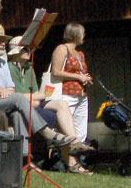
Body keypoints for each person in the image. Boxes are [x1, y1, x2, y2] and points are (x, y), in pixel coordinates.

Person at [0, 24, 86, 152]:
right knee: (19, 98)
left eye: (4, 41)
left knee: (17, 114)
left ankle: (24, 156)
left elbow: (11, 88)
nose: (3, 44)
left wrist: (7, 92)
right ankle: (47, 133)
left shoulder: (3, 63)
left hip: (7, 100)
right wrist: (1, 91)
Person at [6, 36, 90, 174]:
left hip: (34, 103)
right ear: (15, 52)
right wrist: (40, 96)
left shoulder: (29, 68)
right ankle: (72, 162)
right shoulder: (9, 68)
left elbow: (35, 94)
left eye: (29, 48)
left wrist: (38, 96)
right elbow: (17, 96)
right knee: (55, 115)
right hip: (20, 106)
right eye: (24, 49)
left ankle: (74, 141)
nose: (28, 51)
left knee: (62, 104)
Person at [50, 23, 92, 147]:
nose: (84, 35)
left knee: (81, 132)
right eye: (82, 33)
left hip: (81, 95)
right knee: (65, 130)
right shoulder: (62, 49)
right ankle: (62, 156)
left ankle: (78, 155)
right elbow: (55, 72)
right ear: (76, 34)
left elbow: (80, 72)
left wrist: (85, 78)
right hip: (66, 94)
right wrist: (78, 77)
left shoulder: (80, 53)